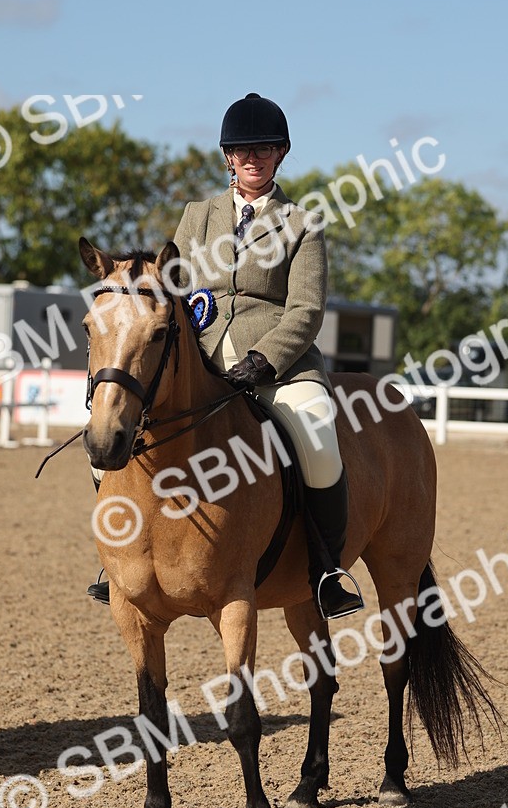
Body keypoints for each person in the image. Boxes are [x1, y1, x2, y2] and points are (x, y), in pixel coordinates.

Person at [88, 92, 363, 621]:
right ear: (227, 157)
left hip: (279, 364)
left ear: (280, 154)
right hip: (205, 358)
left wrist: (265, 359)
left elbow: (306, 310)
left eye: (263, 148)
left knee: (318, 438)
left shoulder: (302, 223)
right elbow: (168, 284)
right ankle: (119, 561)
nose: (252, 158)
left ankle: (327, 571)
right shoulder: (198, 216)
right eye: (241, 150)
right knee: (119, 425)